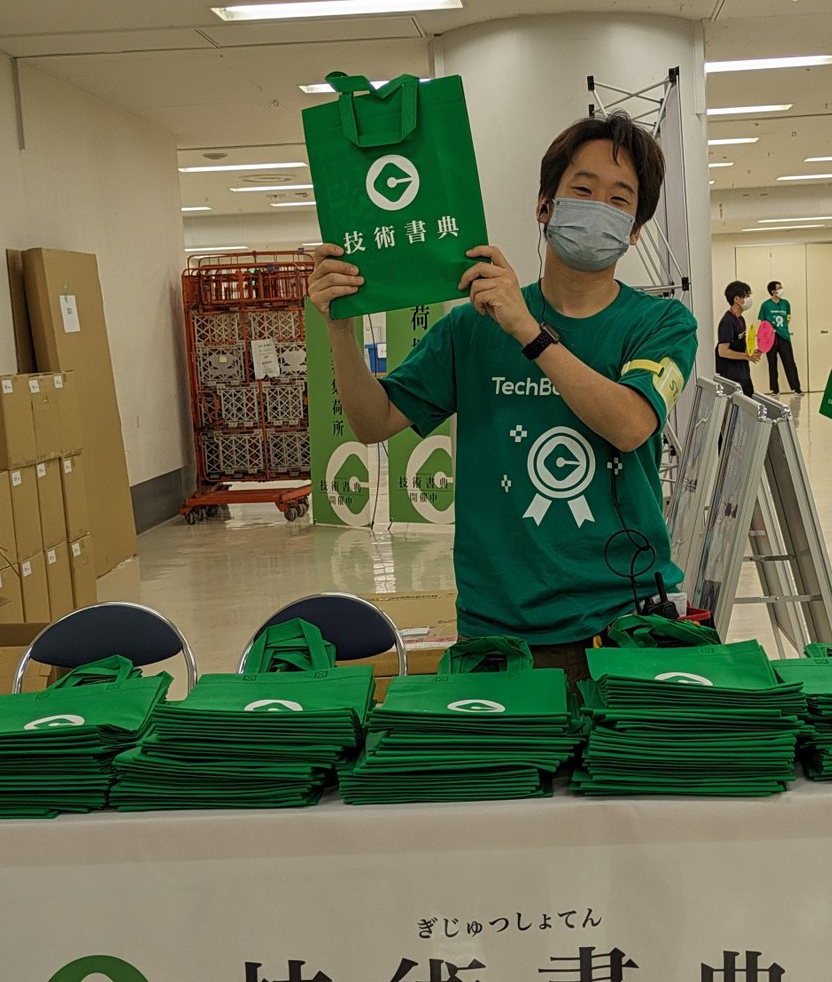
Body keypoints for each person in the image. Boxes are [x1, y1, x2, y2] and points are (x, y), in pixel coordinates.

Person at [307, 111, 697, 673]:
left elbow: (631, 424)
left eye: (619, 200)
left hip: (623, 622)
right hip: (498, 629)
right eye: (582, 189)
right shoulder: (471, 327)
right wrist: (340, 328)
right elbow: (374, 422)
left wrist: (528, 331)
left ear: (634, 230)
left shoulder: (662, 324)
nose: (598, 208)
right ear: (545, 207)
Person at [757, 280, 801, 395]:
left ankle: (796, 388)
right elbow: (763, 323)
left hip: (784, 336)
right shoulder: (765, 305)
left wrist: (783, 327)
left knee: (789, 362)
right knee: (772, 363)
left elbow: (788, 318)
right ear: (773, 291)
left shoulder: (786, 303)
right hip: (770, 338)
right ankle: (774, 389)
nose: (781, 289)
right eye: (779, 287)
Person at [717, 281, 756, 395]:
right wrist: (747, 356)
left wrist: (751, 352)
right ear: (737, 299)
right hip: (731, 375)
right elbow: (723, 351)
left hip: (743, 371)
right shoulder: (727, 322)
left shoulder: (741, 319)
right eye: (747, 295)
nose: (749, 299)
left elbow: (740, 344)